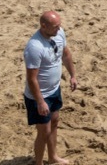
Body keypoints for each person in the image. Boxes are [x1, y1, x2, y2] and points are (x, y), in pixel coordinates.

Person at [23, 11, 77, 165]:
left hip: (54, 89)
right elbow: (31, 78)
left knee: (54, 122)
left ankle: (53, 157)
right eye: (55, 27)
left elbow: (65, 54)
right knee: (44, 132)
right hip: (39, 96)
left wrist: (72, 75)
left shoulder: (58, 33)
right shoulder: (34, 47)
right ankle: (38, 163)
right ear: (43, 26)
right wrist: (40, 102)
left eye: (59, 25)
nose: (58, 29)